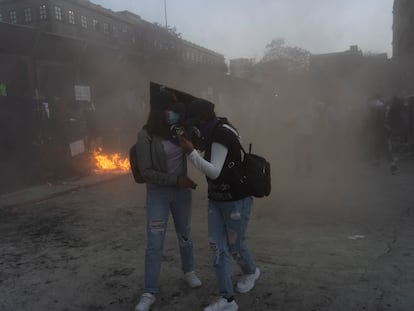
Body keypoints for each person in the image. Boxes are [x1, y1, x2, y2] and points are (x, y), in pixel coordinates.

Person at [178, 99, 260, 311]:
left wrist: (190, 152)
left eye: (192, 121)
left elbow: (214, 170)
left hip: (235, 200)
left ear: (201, 118)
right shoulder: (214, 129)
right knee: (217, 248)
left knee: (235, 245)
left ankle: (251, 271)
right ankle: (227, 300)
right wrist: (193, 148)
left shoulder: (222, 133)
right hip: (217, 199)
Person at [134, 88, 202, 311]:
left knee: (185, 235)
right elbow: (146, 172)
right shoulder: (146, 136)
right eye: (170, 109)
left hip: (182, 194)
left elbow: (194, 153)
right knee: (155, 243)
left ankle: (189, 271)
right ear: (159, 111)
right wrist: (176, 180)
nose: (174, 113)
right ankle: (149, 291)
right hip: (159, 194)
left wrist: (194, 140)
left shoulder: (179, 130)